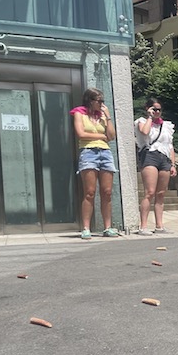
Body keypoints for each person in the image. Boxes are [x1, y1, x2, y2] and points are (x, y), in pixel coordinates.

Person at [70, 87, 118, 240]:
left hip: (105, 152)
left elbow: (111, 136)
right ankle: (86, 228)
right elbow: (81, 134)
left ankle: (107, 227)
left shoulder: (102, 116)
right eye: (99, 101)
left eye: (103, 101)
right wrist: (102, 136)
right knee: (90, 192)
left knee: (107, 191)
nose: (102, 104)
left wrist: (108, 117)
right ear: (90, 101)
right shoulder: (79, 113)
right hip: (88, 152)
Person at [134, 98, 176, 235]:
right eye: (154, 109)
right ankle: (143, 226)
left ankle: (159, 225)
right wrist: (150, 117)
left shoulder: (166, 125)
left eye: (159, 109)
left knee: (161, 193)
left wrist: (173, 164)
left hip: (164, 158)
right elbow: (144, 132)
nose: (157, 112)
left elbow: (170, 146)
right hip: (149, 155)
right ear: (148, 109)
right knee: (150, 192)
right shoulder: (142, 121)